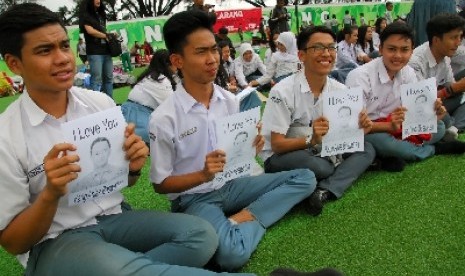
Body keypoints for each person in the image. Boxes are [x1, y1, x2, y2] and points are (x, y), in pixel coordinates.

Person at [0, 3, 255, 276]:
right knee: (130, 270)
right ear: (14, 63)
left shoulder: (100, 104)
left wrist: (132, 166)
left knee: (201, 236)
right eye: (44, 51)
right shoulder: (7, 135)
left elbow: (126, 181)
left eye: (64, 45)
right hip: (57, 239)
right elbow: (14, 242)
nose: (62, 58)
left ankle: (121, 266)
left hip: (115, 218)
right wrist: (50, 195)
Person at [149, 10, 316, 271]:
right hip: (195, 199)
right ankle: (255, 219)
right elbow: (161, 185)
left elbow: (236, 154)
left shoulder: (227, 100)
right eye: (201, 52)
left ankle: (245, 217)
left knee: (305, 177)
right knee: (232, 256)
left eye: (214, 50)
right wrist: (203, 174)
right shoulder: (164, 118)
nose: (212, 59)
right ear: (177, 60)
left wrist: (252, 145)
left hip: (233, 184)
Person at [260, 25, 375, 217]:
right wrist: (311, 140)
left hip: (322, 149)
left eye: (331, 47)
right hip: (283, 154)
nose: (326, 54)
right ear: (302, 55)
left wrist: (361, 128)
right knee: (321, 166)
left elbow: (345, 135)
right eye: (318, 48)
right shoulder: (282, 91)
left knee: (367, 148)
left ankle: (323, 190)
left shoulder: (339, 89)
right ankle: (335, 173)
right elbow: (277, 145)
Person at [346, 22, 465, 172]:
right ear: (381, 49)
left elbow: (415, 113)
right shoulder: (359, 76)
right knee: (384, 143)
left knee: (440, 126)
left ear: (411, 51)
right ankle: (432, 150)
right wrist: (388, 127)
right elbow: (353, 126)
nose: (398, 56)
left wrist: (434, 115)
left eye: (404, 50)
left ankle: (391, 154)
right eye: (391, 49)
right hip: (372, 129)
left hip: (399, 125)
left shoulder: (408, 72)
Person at [408, 14, 465, 136]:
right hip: (417, 108)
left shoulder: (445, 56)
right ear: (436, 40)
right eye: (453, 37)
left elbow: (450, 84)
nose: (458, 43)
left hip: (437, 102)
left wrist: (456, 88)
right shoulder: (415, 62)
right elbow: (417, 101)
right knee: (440, 119)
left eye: (460, 37)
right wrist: (453, 89)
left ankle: (453, 128)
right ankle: (451, 125)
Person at [121, 49, 177, 145]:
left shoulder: (149, 76)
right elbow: (173, 108)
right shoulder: (161, 80)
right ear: (167, 64)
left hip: (126, 114)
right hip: (139, 119)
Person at [79, 0, 114, 97]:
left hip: (106, 51)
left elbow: (103, 31)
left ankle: (110, 103)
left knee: (109, 78)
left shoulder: (101, 15)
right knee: (96, 79)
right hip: (95, 52)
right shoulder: (86, 16)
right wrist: (106, 36)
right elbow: (90, 31)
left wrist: (110, 35)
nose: (98, 0)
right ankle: (97, 106)